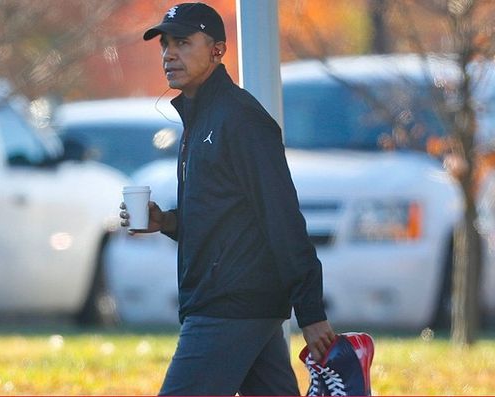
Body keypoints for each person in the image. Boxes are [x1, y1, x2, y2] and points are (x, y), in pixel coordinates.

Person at [118, 3, 335, 395]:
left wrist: (312, 313)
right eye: (165, 44)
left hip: (228, 305)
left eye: (183, 42)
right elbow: (222, 216)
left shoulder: (240, 119)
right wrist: (164, 221)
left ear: (217, 50)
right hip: (243, 304)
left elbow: (282, 217)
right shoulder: (201, 118)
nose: (169, 54)